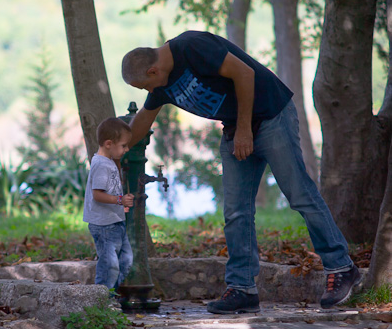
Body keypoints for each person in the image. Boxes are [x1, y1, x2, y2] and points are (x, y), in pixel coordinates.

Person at [121, 30, 361, 314]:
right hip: (237, 130)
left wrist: (245, 129)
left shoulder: (192, 46)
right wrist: (112, 152)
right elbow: (140, 124)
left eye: (145, 85)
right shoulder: (161, 85)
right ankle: (243, 288)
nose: (148, 92)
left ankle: (342, 267)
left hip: (271, 116)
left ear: (152, 70)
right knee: (236, 212)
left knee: (301, 195)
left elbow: (245, 73)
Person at [83, 117, 135, 297]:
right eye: (123, 145)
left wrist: (121, 206)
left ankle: (108, 294)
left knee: (126, 260)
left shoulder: (109, 162)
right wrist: (120, 200)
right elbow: (97, 195)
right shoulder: (101, 165)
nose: (126, 149)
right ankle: (102, 300)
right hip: (104, 226)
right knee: (109, 266)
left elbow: (110, 190)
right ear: (108, 143)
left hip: (115, 221)